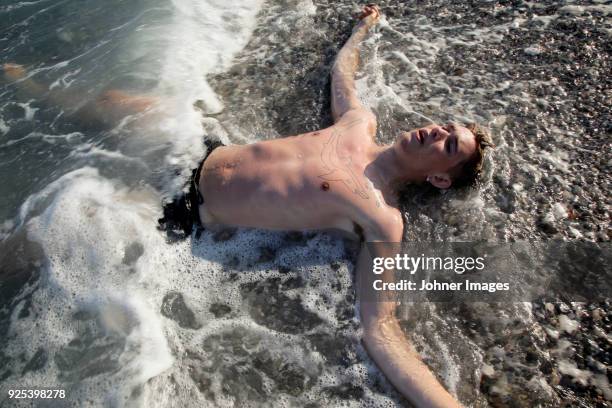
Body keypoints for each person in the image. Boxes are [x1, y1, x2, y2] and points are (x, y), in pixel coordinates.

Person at [5, 5, 493, 407]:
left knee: (59, 229)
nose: (439, 132)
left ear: (437, 178)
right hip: (194, 148)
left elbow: (379, 325)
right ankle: (29, 93)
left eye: (450, 147)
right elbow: (343, 78)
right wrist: (361, 29)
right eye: (447, 127)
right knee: (119, 100)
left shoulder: (382, 217)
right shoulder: (360, 123)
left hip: (182, 208)